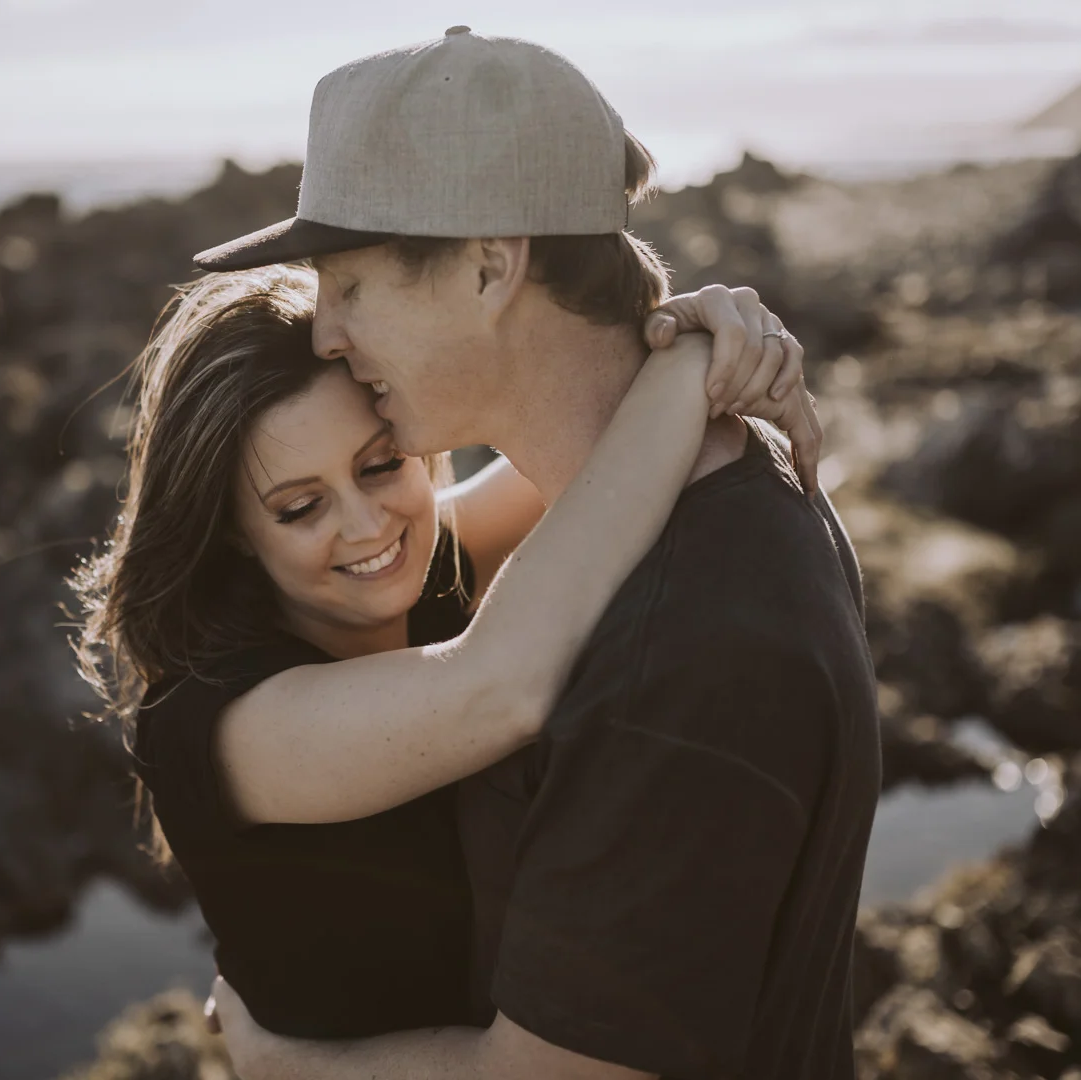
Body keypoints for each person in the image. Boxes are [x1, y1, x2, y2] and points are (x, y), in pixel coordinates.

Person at [192, 28, 881, 1080]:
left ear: (487, 267)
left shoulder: (681, 652)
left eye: (349, 284)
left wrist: (280, 1064)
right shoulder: (703, 497)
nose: (325, 332)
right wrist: (692, 353)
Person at [72, 260, 809, 1040]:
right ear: (234, 534)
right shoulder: (224, 724)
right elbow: (500, 689)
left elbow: (596, 428)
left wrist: (707, 331)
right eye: (301, 507)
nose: (367, 528)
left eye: (379, 465)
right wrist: (687, 371)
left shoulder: (419, 561)